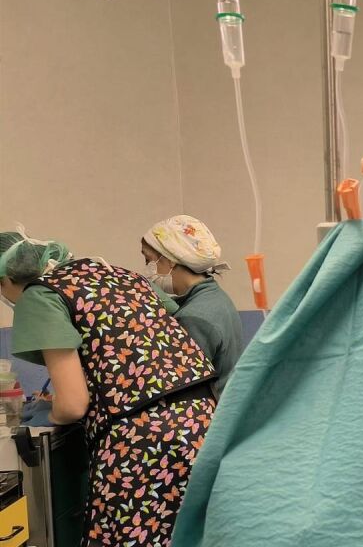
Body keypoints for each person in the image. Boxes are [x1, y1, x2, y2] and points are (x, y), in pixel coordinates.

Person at [0, 229, 216, 546]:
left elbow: (73, 404)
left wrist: (52, 414)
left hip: (143, 440)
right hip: (201, 422)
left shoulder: (41, 295)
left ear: (7, 277)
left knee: (131, 535)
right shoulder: (122, 276)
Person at [141, 215, 245, 398]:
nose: (147, 267)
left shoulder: (193, 318)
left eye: (149, 260)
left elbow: (178, 385)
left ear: (171, 260)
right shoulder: (216, 297)